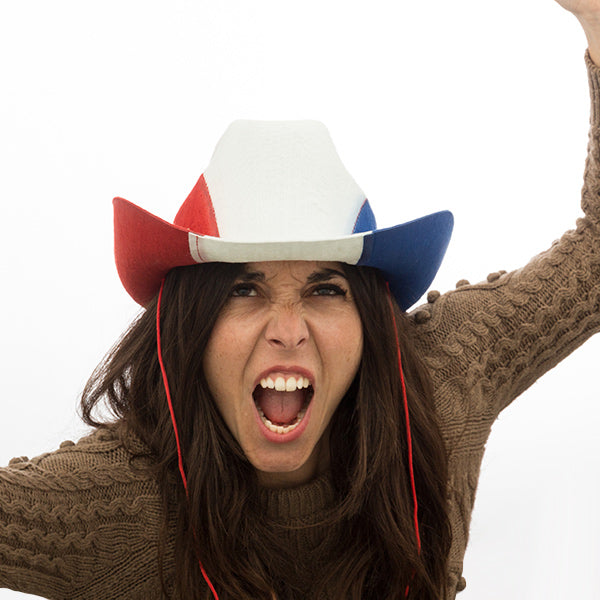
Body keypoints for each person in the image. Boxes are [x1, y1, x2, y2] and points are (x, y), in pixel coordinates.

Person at [1, 1, 599, 598]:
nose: (288, 329)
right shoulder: (114, 506)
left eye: (325, 289)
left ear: (370, 320)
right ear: (187, 329)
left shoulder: (446, 381)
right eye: (244, 289)